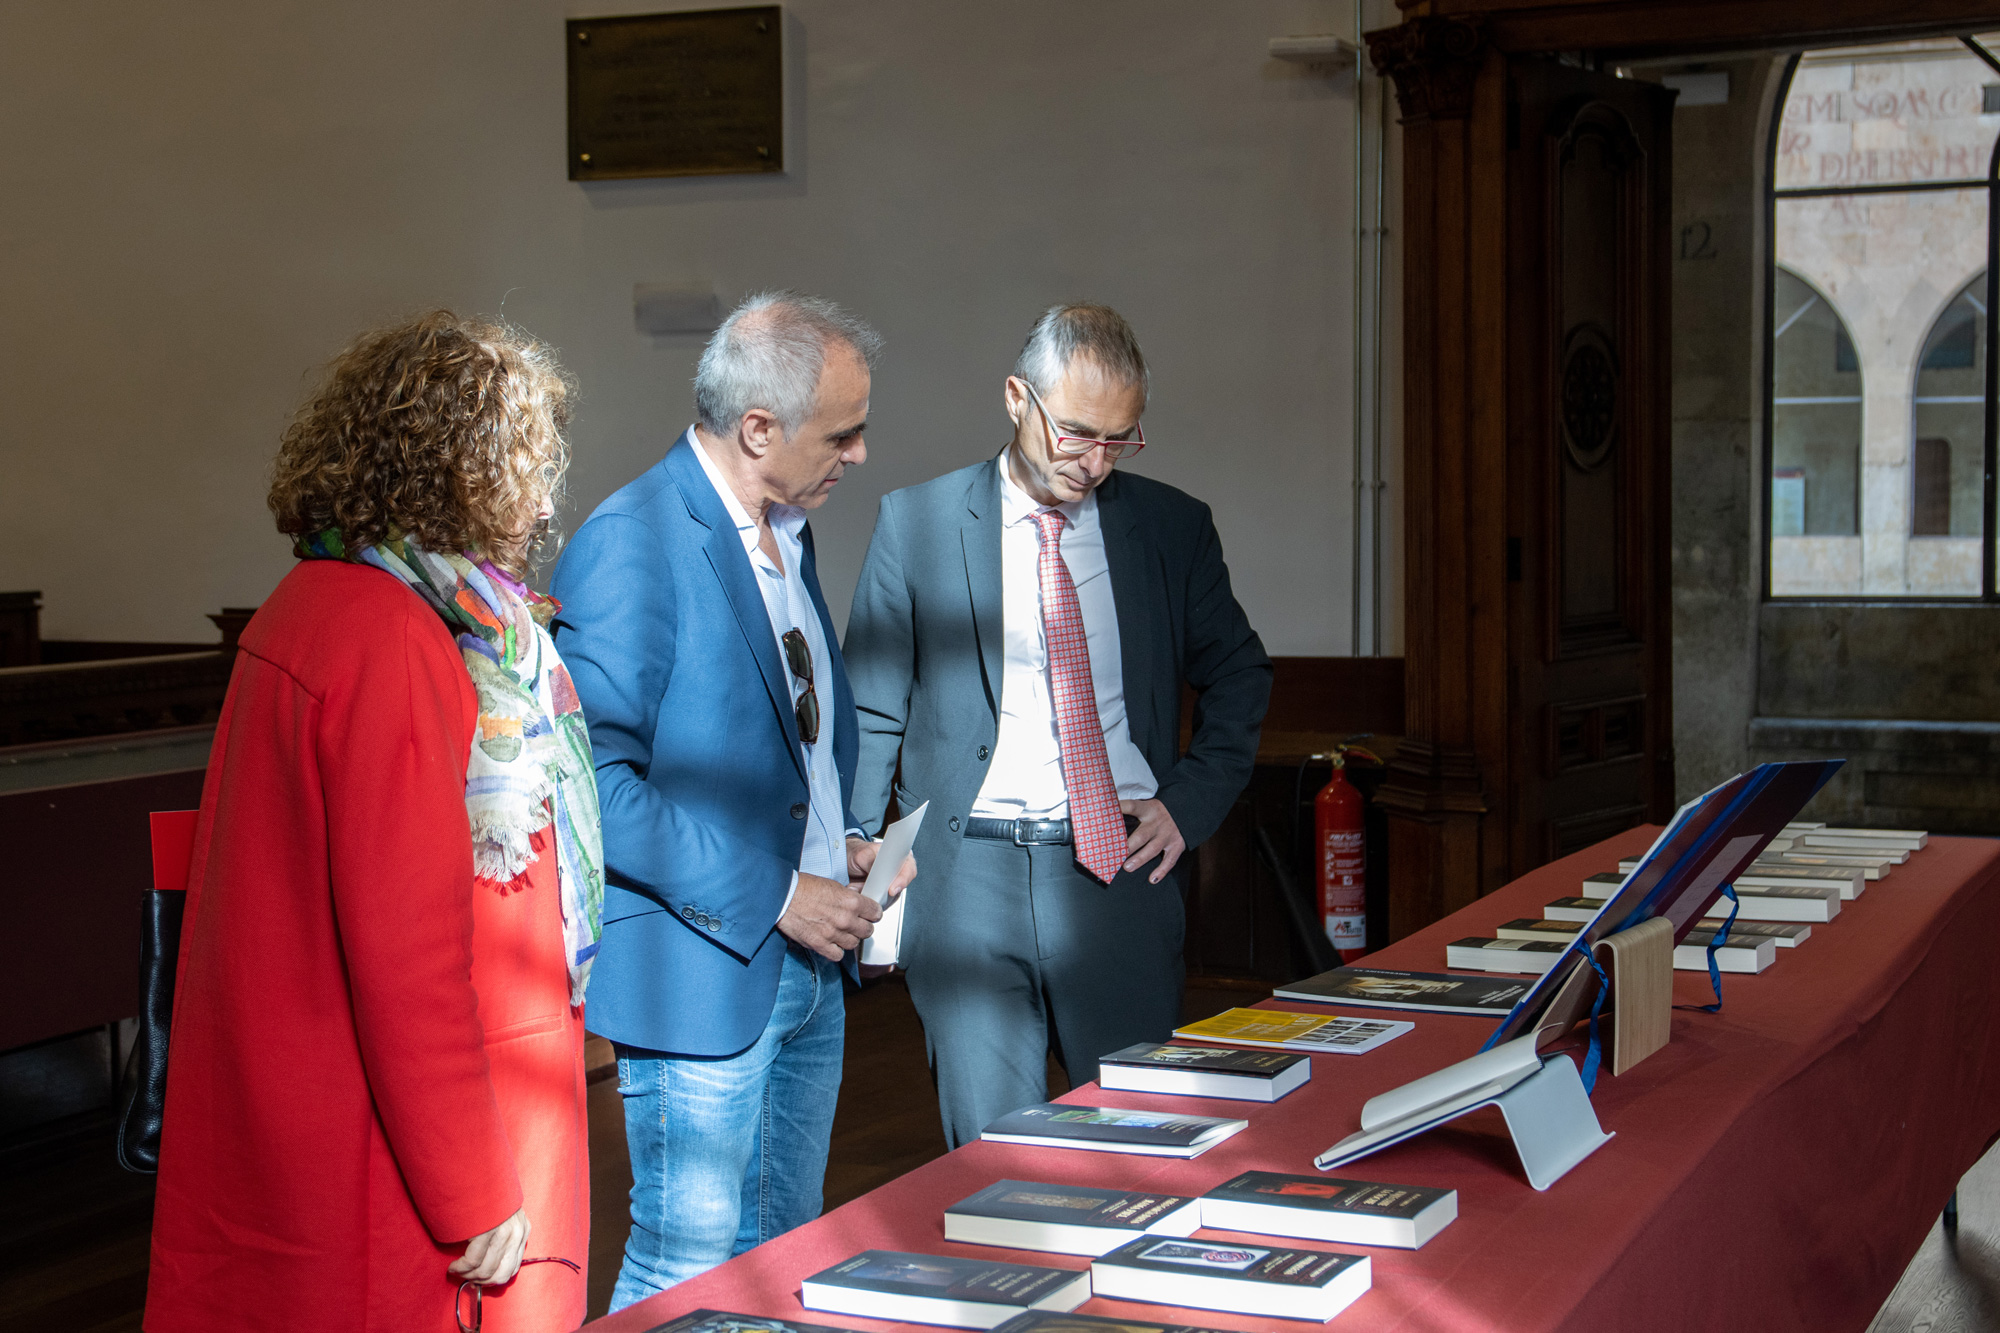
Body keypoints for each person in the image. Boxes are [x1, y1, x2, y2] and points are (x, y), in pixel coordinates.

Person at [146, 312, 600, 1332]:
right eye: (519, 466)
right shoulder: (395, 636)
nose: (538, 500)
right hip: (394, 1142)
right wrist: (471, 1182)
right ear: (445, 469)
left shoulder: (318, 597)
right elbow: (405, 948)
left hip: (310, 1101)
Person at [551, 291, 913, 1308]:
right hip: (702, 970)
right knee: (686, 1267)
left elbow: (799, 731)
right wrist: (772, 892)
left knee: (782, 1258)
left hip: (806, 965)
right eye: (842, 432)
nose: (860, 453)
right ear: (758, 428)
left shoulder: (785, 529)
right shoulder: (633, 540)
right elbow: (593, 788)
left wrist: (844, 839)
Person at [844, 303, 1272, 1148]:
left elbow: (1240, 673)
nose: (1095, 462)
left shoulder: (1172, 528)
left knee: (1140, 1148)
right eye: (1076, 434)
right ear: (1016, 398)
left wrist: (1189, 804)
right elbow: (872, 705)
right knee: (994, 1161)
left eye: (1121, 439)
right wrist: (862, 853)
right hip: (963, 880)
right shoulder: (918, 523)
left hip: (1118, 873)